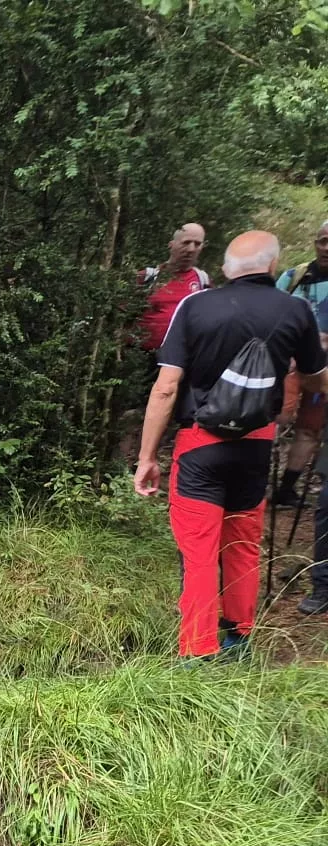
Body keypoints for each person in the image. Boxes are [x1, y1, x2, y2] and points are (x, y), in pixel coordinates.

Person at [134, 231, 328, 656]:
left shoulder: (196, 305)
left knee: (199, 550)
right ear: (273, 267)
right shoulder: (296, 310)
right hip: (257, 445)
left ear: (224, 268)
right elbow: (316, 380)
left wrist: (147, 457)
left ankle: (197, 650)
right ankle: (239, 639)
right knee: (241, 543)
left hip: (200, 445)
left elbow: (166, 388)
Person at [273, 220, 328, 612]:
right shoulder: (295, 277)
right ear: (315, 241)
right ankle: (266, 482)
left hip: (324, 374)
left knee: (309, 431)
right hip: (291, 365)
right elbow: (273, 314)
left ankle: (287, 486)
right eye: (324, 240)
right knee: (278, 420)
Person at [140, 224, 210, 353]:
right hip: (142, 358)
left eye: (197, 244)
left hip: (182, 358)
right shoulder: (147, 277)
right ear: (171, 244)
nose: (191, 249)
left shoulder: (203, 281)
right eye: (186, 242)